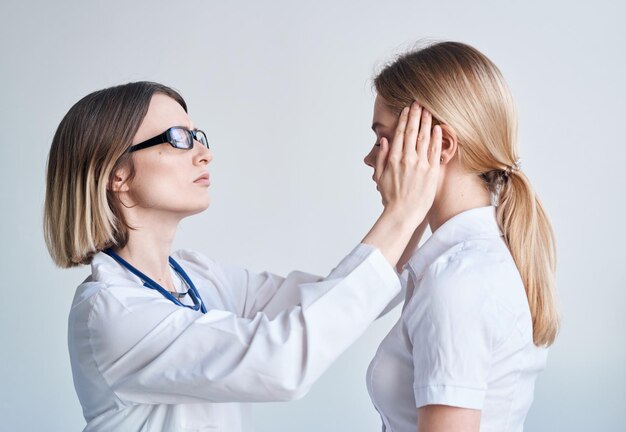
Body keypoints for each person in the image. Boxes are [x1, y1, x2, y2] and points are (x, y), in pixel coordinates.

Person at [43, 81, 442, 431]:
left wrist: (419, 198)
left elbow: (342, 300)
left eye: (199, 136)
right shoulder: (111, 312)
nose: (203, 154)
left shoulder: (199, 278)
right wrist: (402, 209)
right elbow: (283, 361)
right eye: (179, 138)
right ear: (117, 174)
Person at [363, 41, 560, 432]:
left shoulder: (457, 281)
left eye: (382, 137)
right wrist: (405, 216)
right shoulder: (464, 263)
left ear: (442, 146)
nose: (370, 158)